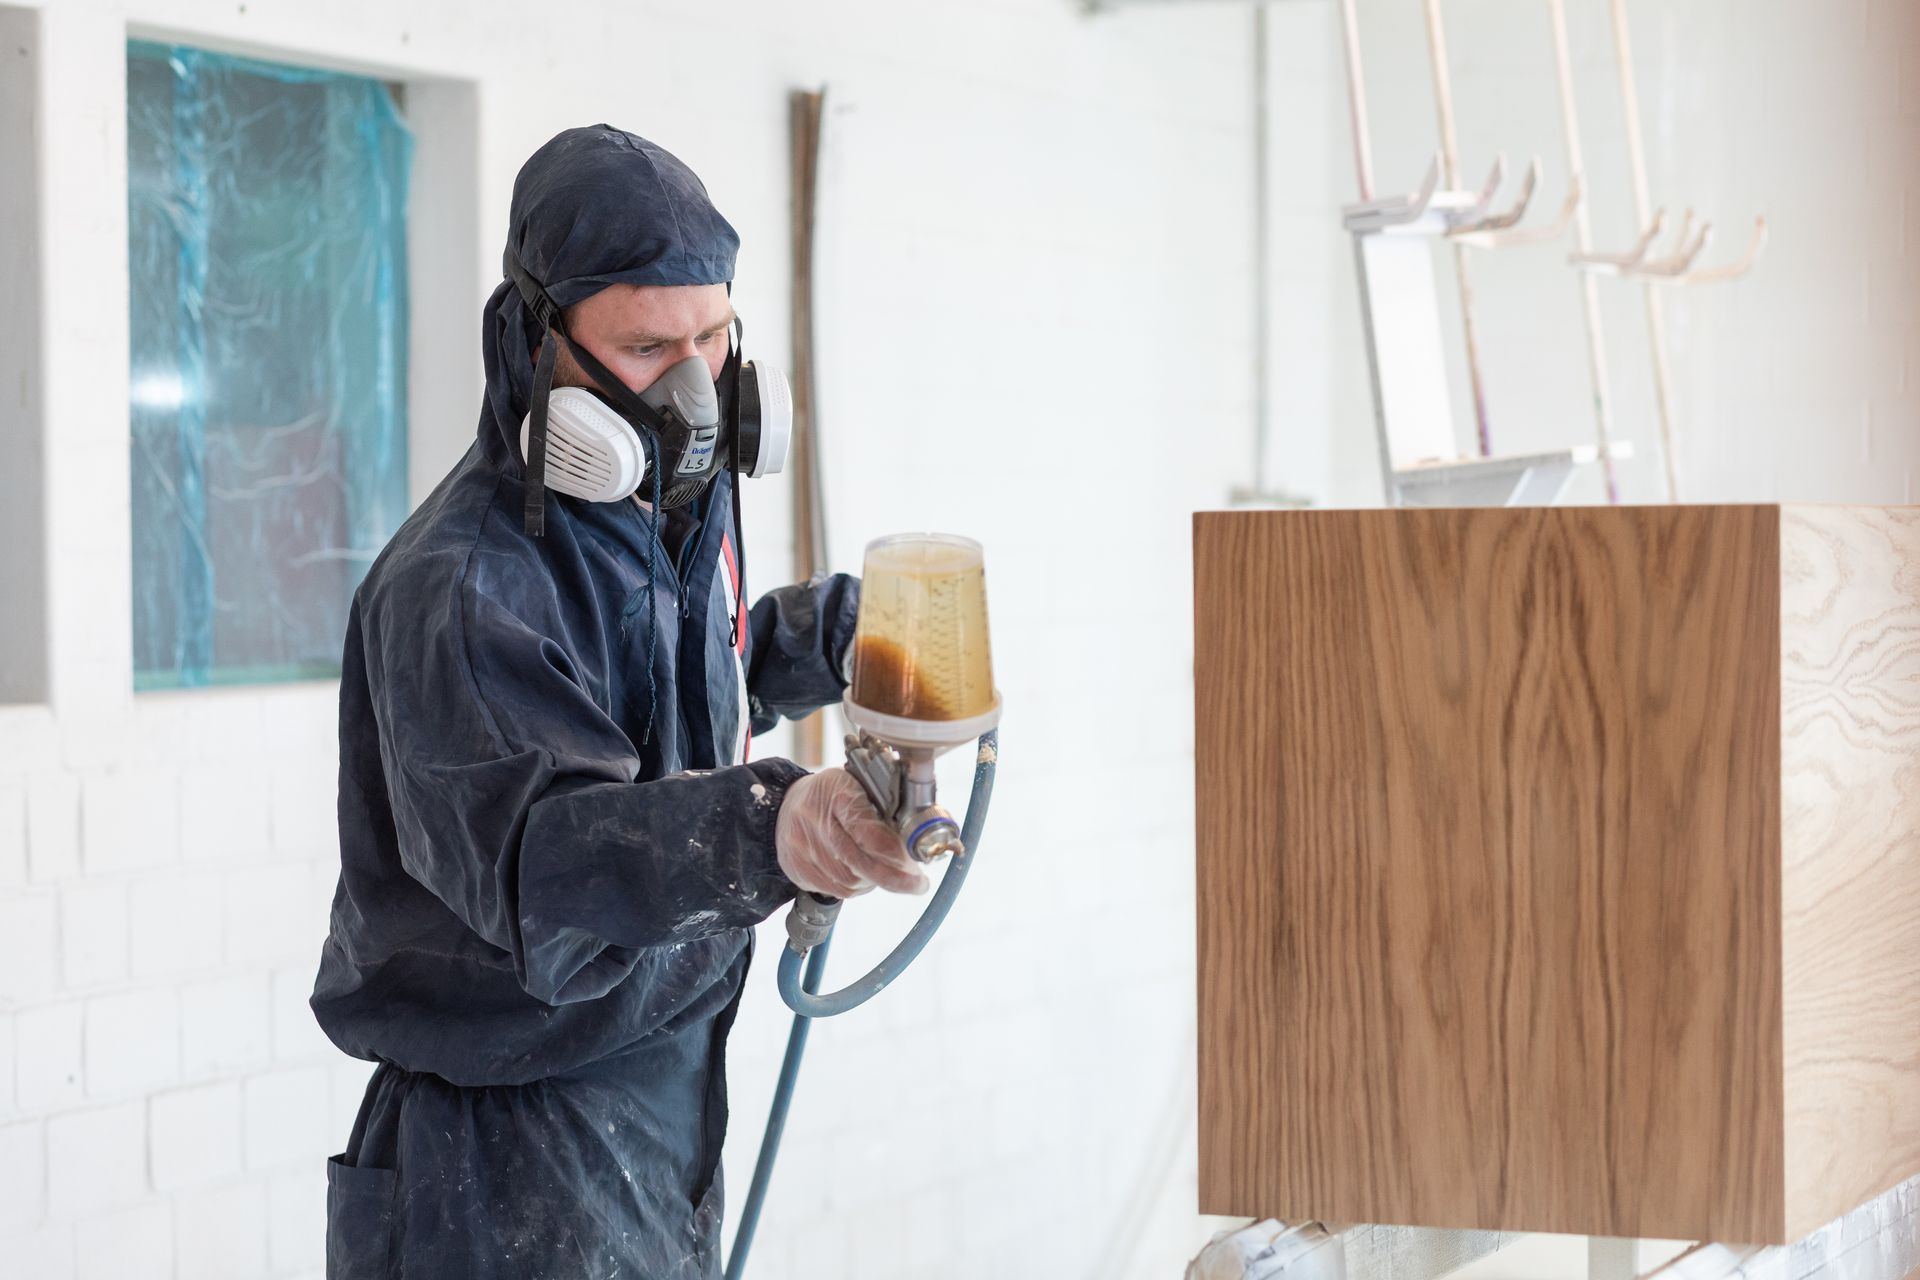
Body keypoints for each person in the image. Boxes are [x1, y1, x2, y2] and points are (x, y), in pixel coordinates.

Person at [310, 124, 926, 1279]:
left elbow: (666, 695)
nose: (696, 390)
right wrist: (773, 825)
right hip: (499, 1156)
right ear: (536, 347)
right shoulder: (460, 586)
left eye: (714, 338)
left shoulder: (660, 520)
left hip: (659, 1096)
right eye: (648, 347)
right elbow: (549, 851)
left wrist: (846, 635)